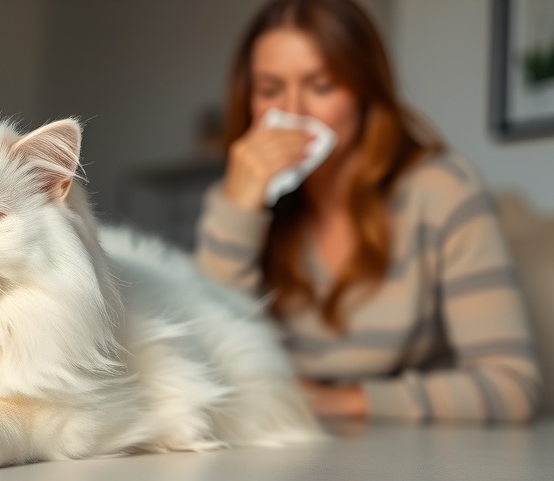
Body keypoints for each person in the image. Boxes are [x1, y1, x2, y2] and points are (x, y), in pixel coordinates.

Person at [194, 0, 540, 423]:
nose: (294, 113)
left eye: (321, 86)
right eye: (270, 90)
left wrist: (338, 401)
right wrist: (239, 209)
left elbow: (513, 386)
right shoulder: (234, 205)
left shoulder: (442, 190)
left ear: (364, 91)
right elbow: (205, 362)